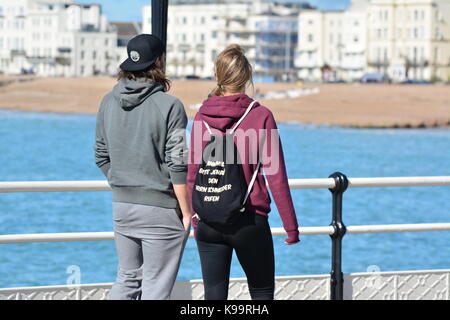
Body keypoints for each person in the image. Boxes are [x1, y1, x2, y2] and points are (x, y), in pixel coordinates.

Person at [187, 44, 300, 300]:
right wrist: (291, 228)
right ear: (247, 77)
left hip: (209, 219)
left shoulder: (201, 117)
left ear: (217, 77)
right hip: (249, 220)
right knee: (261, 294)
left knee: (213, 297)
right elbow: (276, 177)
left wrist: (195, 218)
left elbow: (192, 172)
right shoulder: (261, 116)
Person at [94, 34, 191, 300]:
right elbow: (178, 162)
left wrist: (123, 182)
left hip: (122, 206)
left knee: (127, 279)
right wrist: (187, 212)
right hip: (160, 208)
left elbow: (101, 156)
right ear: (159, 61)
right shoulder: (170, 105)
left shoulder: (108, 101)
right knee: (155, 287)